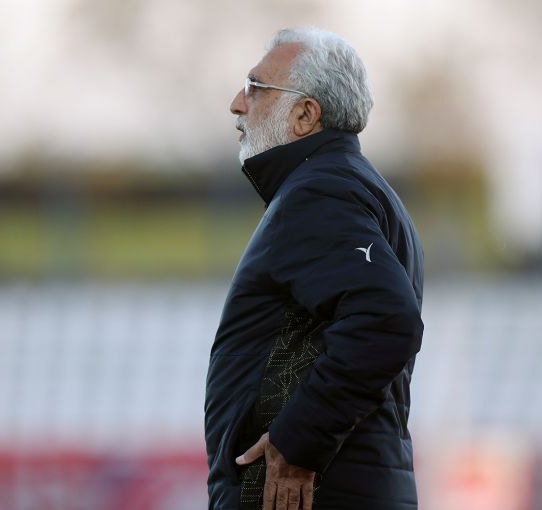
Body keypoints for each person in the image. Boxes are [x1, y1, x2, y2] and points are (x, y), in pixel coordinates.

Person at [205, 27, 424, 510]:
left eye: (255, 87)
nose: (237, 104)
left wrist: (298, 442)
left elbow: (386, 319)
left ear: (305, 115)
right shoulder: (353, 187)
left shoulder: (320, 193)